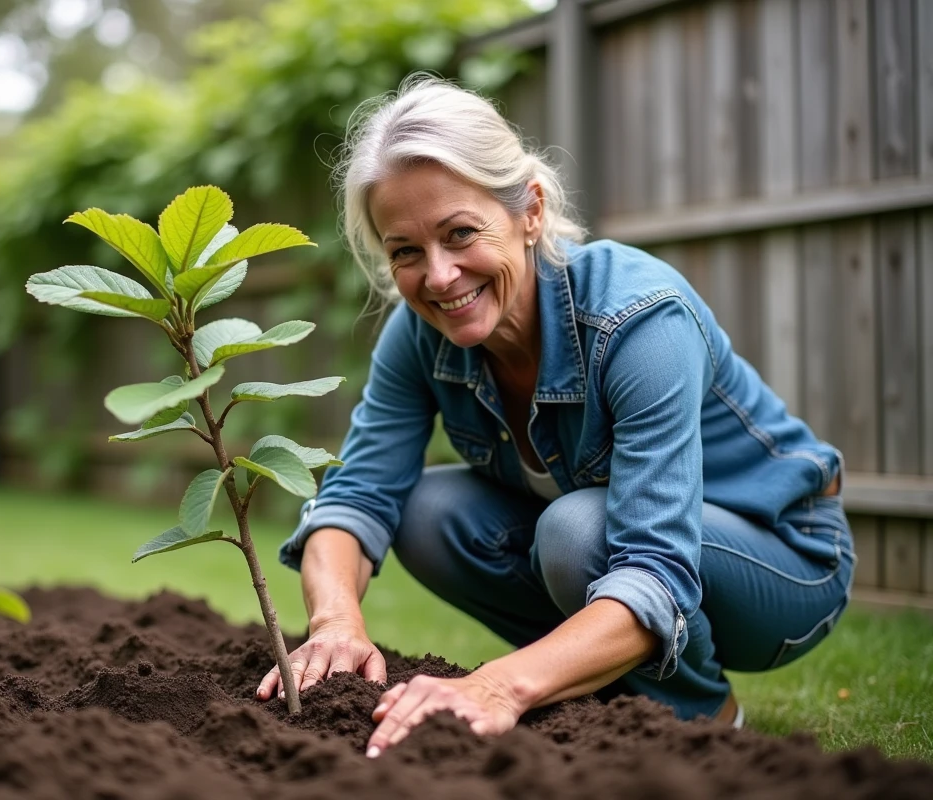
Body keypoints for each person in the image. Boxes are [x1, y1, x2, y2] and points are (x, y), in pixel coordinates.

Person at [254, 76, 855, 758]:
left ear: (530, 212)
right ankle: (603, 682)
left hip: (785, 559)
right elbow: (358, 497)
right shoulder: (418, 335)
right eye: (407, 252)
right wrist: (335, 623)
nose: (440, 276)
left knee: (576, 532)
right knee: (425, 510)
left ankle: (702, 716)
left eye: (460, 234)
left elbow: (655, 565)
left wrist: (498, 687)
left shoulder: (637, 319)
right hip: (624, 551)